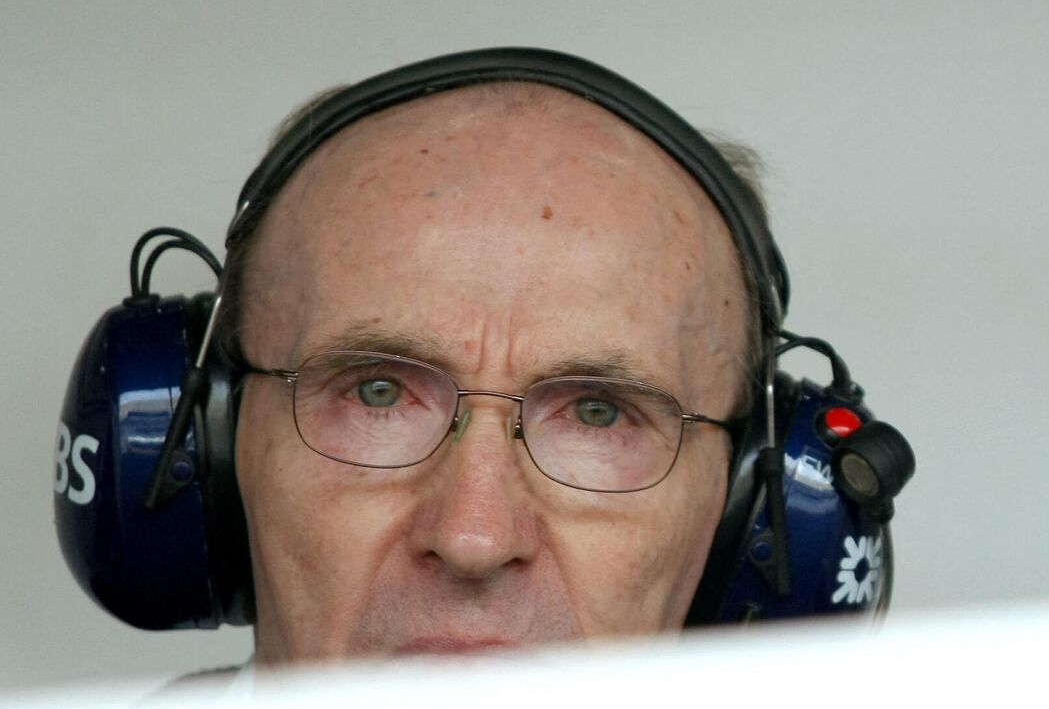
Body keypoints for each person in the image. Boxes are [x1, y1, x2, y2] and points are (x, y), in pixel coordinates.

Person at [57, 49, 912, 677]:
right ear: (204, 454)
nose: (473, 536)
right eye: (377, 393)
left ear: (749, 512)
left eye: (600, 413)